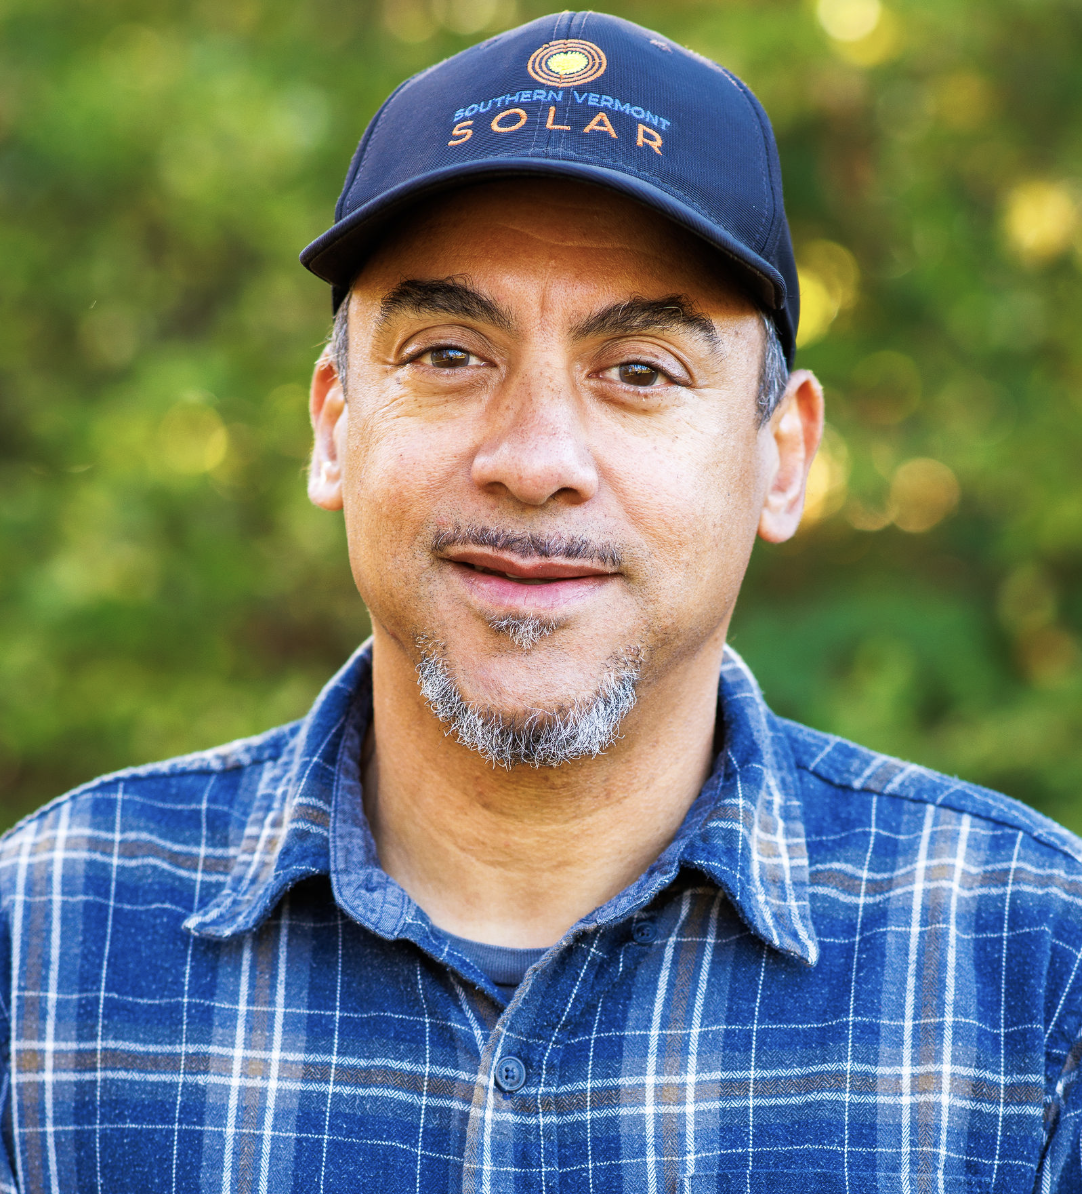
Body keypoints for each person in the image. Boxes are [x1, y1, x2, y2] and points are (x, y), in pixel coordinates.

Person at [0, 11, 1079, 1192]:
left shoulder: (1034, 977)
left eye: (638, 371)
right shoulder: (43, 948)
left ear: (781, 457)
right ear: (332, 424)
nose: (533, 456)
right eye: (448, 354)